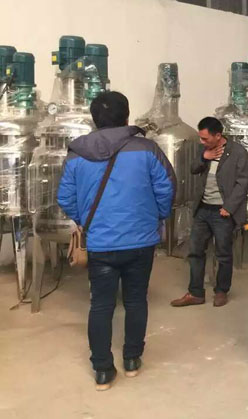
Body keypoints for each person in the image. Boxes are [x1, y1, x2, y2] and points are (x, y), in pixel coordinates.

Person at [57, 91, 176, 391]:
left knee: (101, 305)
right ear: (126, 116)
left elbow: (65, 198)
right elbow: (167, 188)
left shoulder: (76, 154)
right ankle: (132, 359)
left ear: (94, 119)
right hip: (140, 242)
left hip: (100, 243)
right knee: (136, 300)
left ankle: (102, 370)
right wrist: (156, 217)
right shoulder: (147, 149)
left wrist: (86, 221)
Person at [171, 117, 248, 308]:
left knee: (223, 254)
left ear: (218, 135)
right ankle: (195, 293)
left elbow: (243, 182)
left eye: (205, 138)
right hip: (203, 209)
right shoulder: (204, 150)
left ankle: (221, 291)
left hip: (222, 212)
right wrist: (203, 157)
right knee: (195, 252)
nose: (202, 141)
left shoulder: (238, 152)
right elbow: (193, 169)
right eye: (201, 138)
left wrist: (229, 207)